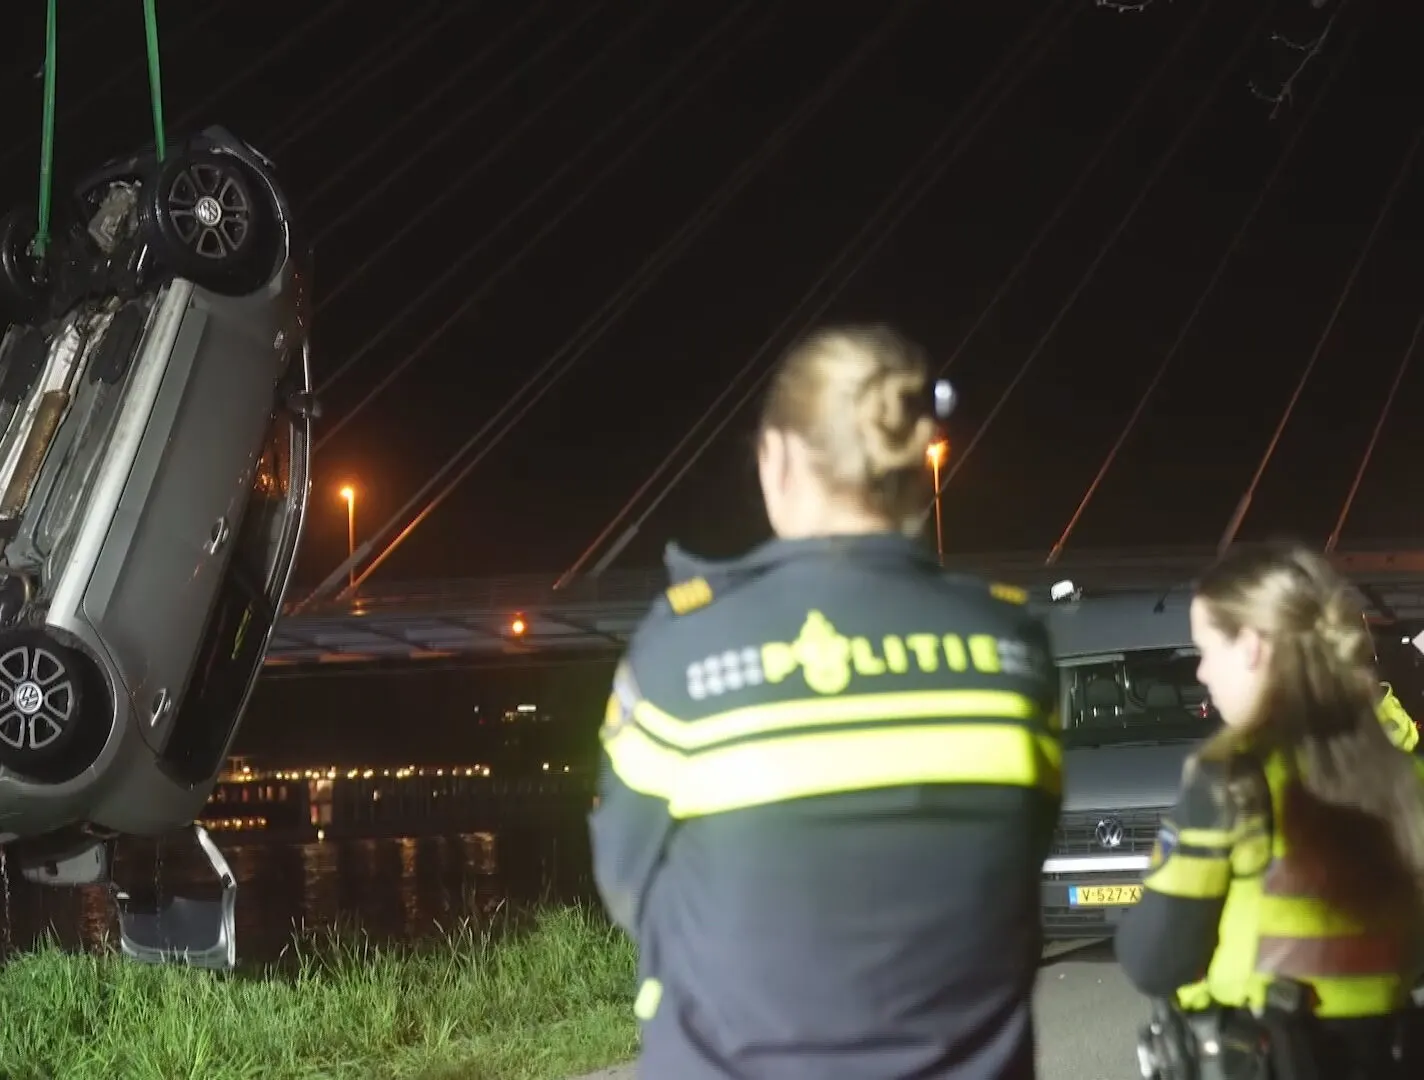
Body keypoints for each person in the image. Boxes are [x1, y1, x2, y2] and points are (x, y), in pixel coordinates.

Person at [588, 324, 1063, 1079]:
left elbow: (628, 880)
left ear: (774, 458)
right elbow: (1017, 858)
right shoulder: (1015, 649)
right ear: (915, 468)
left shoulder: (684, 650)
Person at [1115, 542, 1424, 1078]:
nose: (1202, 675)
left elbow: (1155, 962)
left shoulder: (1233, 779)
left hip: (1267, 1056)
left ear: (1253, 647)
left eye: (1207, 650)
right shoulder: (1404, 774)